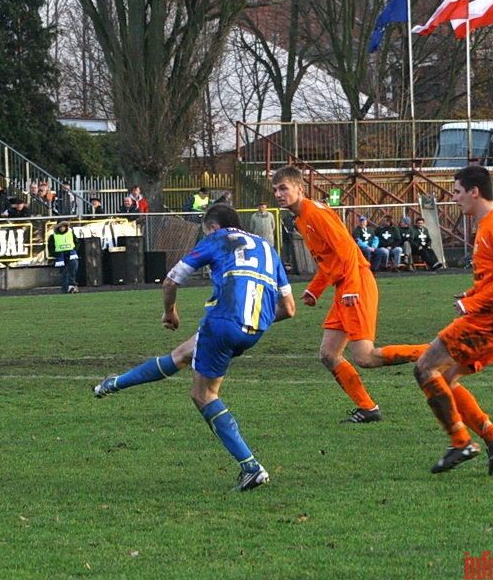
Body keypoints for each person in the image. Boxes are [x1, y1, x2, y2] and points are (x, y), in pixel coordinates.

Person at [94, 204, 295, 491]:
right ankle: (113, 384)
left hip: (223, 321)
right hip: (253, 328)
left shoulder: (217, 239)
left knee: (202, 394)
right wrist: (252, 320)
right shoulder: (267, 247)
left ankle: (251, 467)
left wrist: (169, 312)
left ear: (212, 227)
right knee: (183, 354)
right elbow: (288, 309)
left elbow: (171, 280)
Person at [272, 166, 429, 422]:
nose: (278, 194)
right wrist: (315, 289)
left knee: (365, 357)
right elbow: (331, 259)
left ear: (300, 189)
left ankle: (436, 350)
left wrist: (352, 287)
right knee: (328, 354)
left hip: (355, 284)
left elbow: (347, 250)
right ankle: (368, 409)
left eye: (284, 188)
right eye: (276, 190)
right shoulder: (301, 217)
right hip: (345, 286)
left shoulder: (314, 213)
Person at [414, 165, 493, 475]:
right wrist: (471, 292)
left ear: (474, 192)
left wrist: (473, 303)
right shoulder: (492, 222)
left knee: (425, 367)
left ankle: (461, 442)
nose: (454, 198)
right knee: (446, 379)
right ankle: (492, 436)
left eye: (457, 191)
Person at [48, 220, 79, 293]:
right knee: (64, 272)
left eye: (63, 226)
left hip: (71, 254)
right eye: (60, 227)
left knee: (73, 269)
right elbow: (50, 247)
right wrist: (56, 254)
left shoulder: (71, 233)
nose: (62, 228)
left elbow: (76, 243)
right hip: (60, 256)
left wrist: (74, 250)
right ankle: (65, 289)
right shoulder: (53, 236)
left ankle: (72, 285)